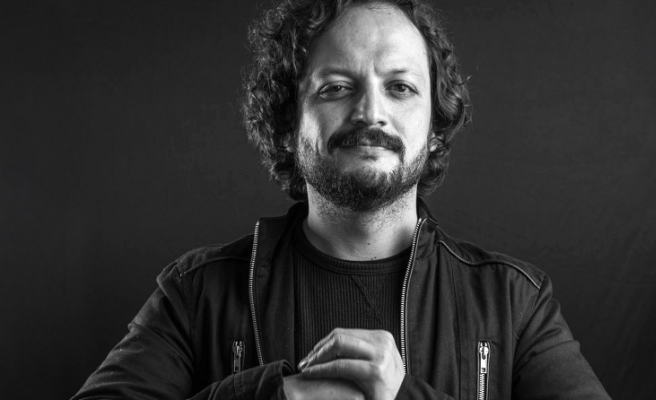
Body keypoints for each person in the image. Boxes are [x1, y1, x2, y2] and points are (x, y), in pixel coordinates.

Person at [72, 0, 611, 399]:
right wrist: (275, 396)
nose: (370, 112)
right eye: (336, 87)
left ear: (435, 128)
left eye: (400, 87)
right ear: (288, 124)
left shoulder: (514, 303)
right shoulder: (197, 293)